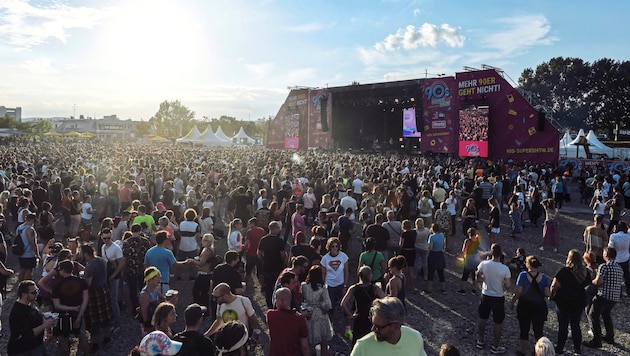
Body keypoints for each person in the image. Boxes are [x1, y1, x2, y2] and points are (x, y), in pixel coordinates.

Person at [350, 297, 427, 356]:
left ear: (396, 326)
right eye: (373, 324)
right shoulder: (362, 347)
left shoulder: (415, 338)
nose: (373, 329)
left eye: (378, 327)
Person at [551, 249, 591, 355]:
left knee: (563, 326)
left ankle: (560, 348)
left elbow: (554, 285)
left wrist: (551, 295)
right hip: (578, 302)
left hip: (564, 301)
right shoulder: (585, 272)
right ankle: (577, 348)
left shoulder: (564, 271)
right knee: (576, 325)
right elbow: (588, 284)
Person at [583, 247, 624, 348]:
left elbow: (598, 282)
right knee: (606, 314)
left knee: (592, 314)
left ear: (606, 255)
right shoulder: (619, 268)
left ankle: (596, 340)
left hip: (604, 295)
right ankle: (610, 336)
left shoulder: (604, 266)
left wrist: (589, 282)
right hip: (614, 297)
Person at [510, 255, 551, 356]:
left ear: (528, 264)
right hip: (539, 306)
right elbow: (547, 294)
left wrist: (512, 301)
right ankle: (538, 352)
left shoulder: (523, 275)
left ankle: (523, 351)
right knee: (538, 330)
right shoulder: (544, 277)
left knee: (524, 329)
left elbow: (518, 292)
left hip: (525, 305)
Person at [475, 243, 511, 354]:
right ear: (501, 254)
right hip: (498, 296)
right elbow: (508, 285)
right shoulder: (504, 268)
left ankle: (480, 340)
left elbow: (478, 277)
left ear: (491, 253)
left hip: (485, 294)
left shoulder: (483, 264)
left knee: (483, 318)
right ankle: (495, 345)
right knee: (498, 322)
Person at [7, 280, 56, 355]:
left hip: (36, 345)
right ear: (24, 294)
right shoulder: (18, 312)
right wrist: (45, 325)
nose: (37, 294)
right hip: (24, 349)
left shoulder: (30, 303)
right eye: (34, 293)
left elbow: (35, 317)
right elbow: (28, 334)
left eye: (37, 291)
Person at [52, 259, 90, 356]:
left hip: (63, 315)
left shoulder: (57, 286)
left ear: (63, 271)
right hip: (79, 313)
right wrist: (79, 315)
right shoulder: (82, 282)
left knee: (64, 339)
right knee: (82, 336)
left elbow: (57, 305)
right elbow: (85, 300)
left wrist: (71, 308)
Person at [82, 244, 114, 352]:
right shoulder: (101, 260)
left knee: (95, 320)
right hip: (104, 290)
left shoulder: (90, 267)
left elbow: (88, 284)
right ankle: (107, 337)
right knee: (105, 317)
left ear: (86, 254)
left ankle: (95, 343)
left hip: (94, 294)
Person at [341, 266, 386, 343]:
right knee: (371, 340)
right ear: (370, 275)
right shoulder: (375, 288)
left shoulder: (354, 288)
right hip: (371, 317)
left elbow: (343, 303)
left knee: (358, 340)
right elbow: (386, 300)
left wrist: (350, 314)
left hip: (358, 317)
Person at [266, 287, 310, 356]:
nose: (275, 301)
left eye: (276, 299)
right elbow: (304, 346)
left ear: (281, 301)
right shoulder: (299, 319)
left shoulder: (270, 315)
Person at [301, 265, 334, 355]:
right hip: (320, 315)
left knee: (309, 341)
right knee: (324, 342)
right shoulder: (323, 288)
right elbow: (328, 304)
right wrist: (321, 306)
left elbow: (302, 299)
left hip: (308, 314)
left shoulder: (304, 286)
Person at [258, 221, 287, 308]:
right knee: (277, 286)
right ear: (275, 229)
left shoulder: (263, 239)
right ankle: (277, 304)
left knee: (268, 287)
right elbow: (282, 254)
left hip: (267, 265)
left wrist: (263, 259)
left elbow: (259, 253)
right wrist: (284, 262)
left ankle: (269, 305)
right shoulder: (279, 241)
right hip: (277, 265)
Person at [123, 223, 151, 312]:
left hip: (130, 269)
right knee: (144, 289)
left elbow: (124, 257)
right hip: (142, 269)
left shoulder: (126, 242)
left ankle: (135, 308)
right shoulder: (145, 241)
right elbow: (148, 256)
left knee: (132, 290)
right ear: (140, 230)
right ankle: (145, 306)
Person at [101, 228, 124, 332]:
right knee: (108, 299)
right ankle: (111, 320)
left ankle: (118, 323)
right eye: (104, 238)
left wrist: (114, 275)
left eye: (108, 238)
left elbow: (121, 263)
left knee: (113, 299)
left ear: (111, 237)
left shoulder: (116, 248)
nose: (106, 240)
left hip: (114, 276)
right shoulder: (103, 247)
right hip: (106, 275)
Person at [320, 237, 349, 321]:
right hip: (329, 285)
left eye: (337, 246)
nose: (335, 248)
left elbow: (346, 271)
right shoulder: (325, 259)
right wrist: (323, 286)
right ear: (329, 247)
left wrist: (345, 285)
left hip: (340, 284)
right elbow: (323, 273)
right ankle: (331, 327)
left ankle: (347, 329)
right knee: (330, 307)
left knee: (344, 306)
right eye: (333, 246)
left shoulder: (343, 256)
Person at [188, 233, 217, 310]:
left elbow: (201, 263)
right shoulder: (212, 249)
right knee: (205, 292)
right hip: (209, 273)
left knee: (196, 291)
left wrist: (192, 261)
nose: (202, 241)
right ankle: (205, 309)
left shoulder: (206, 251)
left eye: (204, 240)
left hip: (203, 274)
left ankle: (198, 308)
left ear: (209, 241)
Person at [607, 221, 630, 297]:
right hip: (626, 257)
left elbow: (611, 247)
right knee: (626, 275)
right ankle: (628, 291)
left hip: (616, 258)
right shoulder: (628, 236)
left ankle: (618, 292)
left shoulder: (613, 236)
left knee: (617, 276)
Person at [457, 227, 481, 295]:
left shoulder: (467, 241)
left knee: (465, 274)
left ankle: (463, 289)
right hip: (475, 258)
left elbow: (464, 250)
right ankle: (474, 289)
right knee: (474, 274)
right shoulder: (477, 240)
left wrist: (462, 257)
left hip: (468, 258)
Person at [16, 213, 39, 282]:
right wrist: (37, 254)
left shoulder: (19, 227)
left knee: (22, 269)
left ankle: (20, 284)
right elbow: (33, 243)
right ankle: (27, 284)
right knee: (29, 270)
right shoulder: (30, 229)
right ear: (32, 220)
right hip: (29, 253)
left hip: (21, 252)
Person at [425, 224, 446, 294]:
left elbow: (430, 248)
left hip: (433, 255)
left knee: (431, 272)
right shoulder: (442, 235)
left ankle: (429, 289)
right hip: (440, 254)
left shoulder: (432, 237)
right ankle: (443, 288)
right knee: (441, 272)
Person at [399, 219, 416, 289]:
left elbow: (401, 244)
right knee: (411, 269)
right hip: (412, 251)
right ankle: (412, 285)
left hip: (405, 251)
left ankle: (403, 285)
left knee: (403, 269)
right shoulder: (414, 232)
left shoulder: (404, 234)